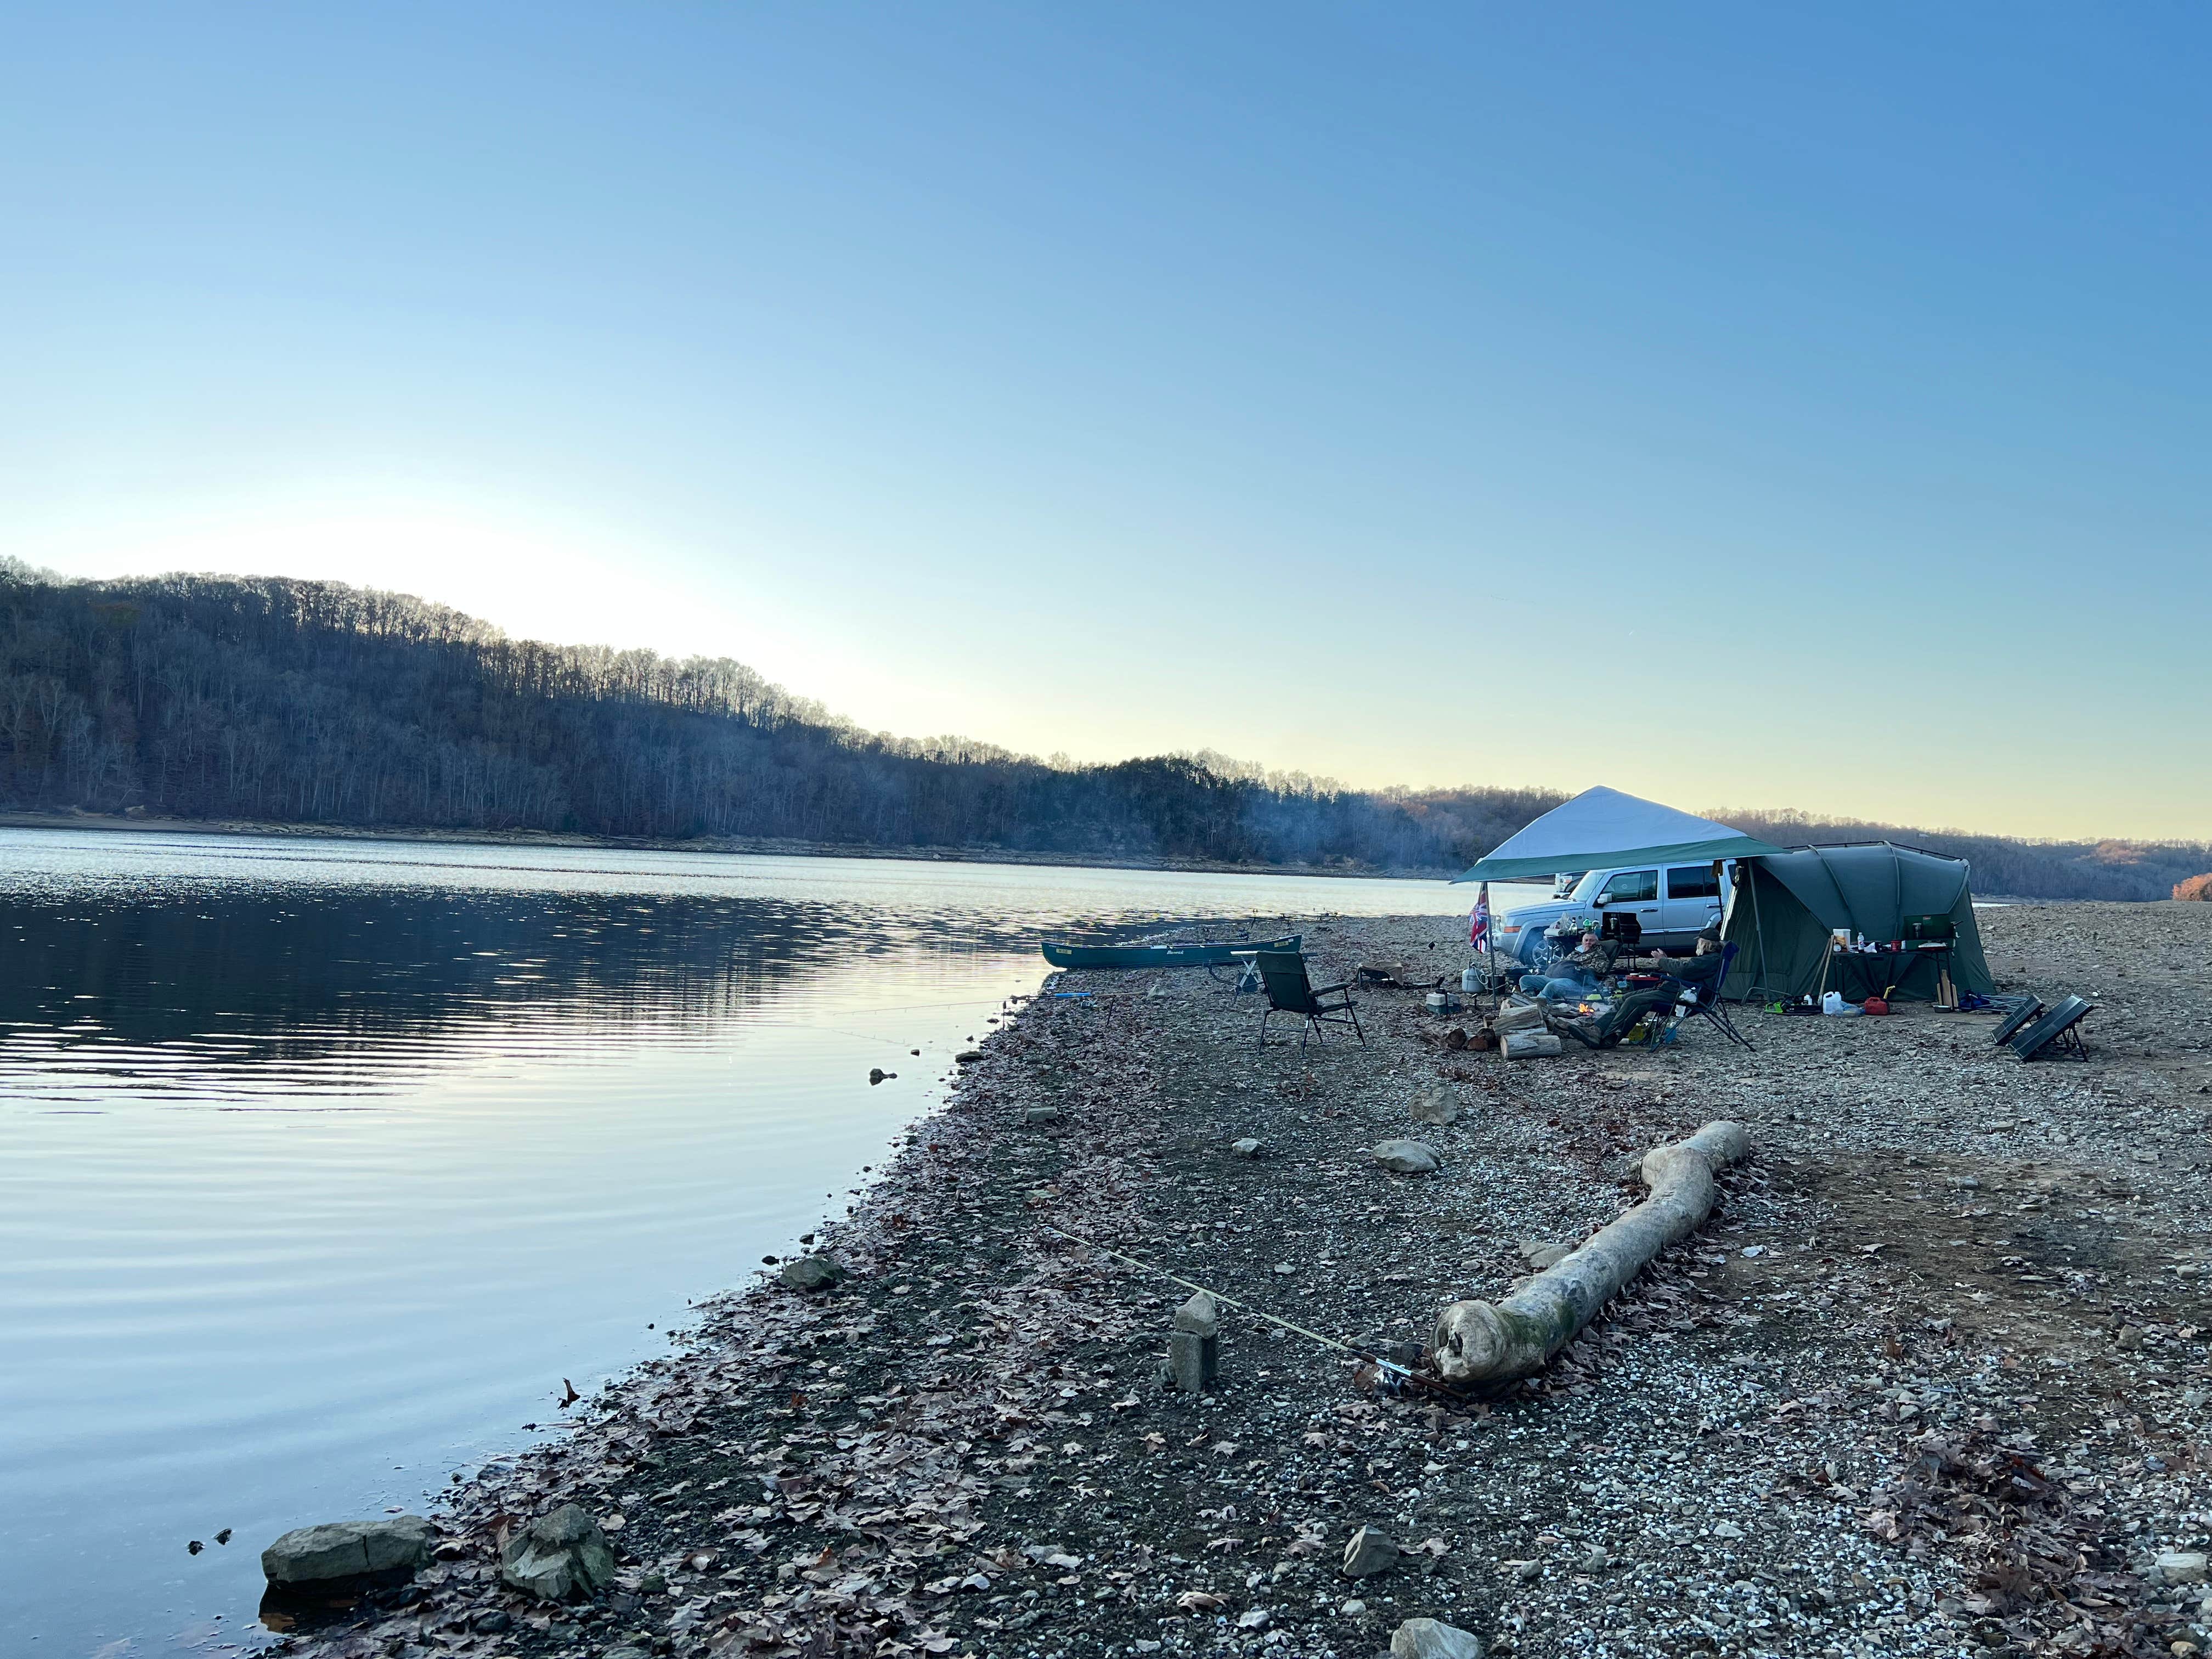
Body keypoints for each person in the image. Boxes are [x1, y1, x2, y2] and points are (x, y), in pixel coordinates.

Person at [1520, 930, 1611, 1001]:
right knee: (1525, 980)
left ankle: (1539, 1003)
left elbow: (1600, 969)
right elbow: (1563, 962)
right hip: (1554, 977)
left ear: (1597, 942)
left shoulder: (1599, 955)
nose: (1588, 943)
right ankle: (1529, 1000)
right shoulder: (1576, 952)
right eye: (1586, 940)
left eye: (1592, 941)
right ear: (1582, 942)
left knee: (1551, 986)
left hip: (1574, 981)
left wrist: (1578, 969)